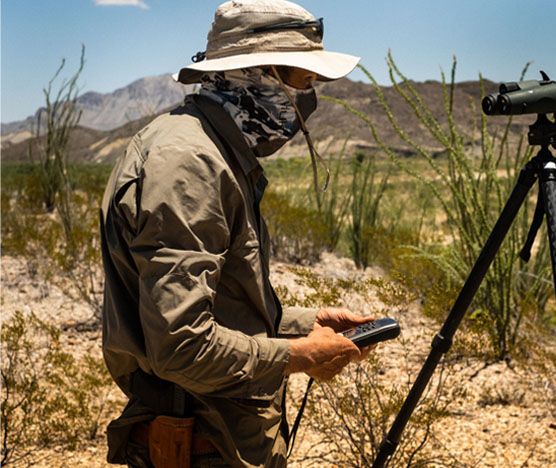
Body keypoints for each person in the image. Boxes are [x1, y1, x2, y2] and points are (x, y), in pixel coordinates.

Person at [99, 1, 372, 467]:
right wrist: (298, 356)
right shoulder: (191, 164)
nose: (309, 102)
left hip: (218, 438)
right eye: (304, 81)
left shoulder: (211, 148)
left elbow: (216, 307)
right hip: (200, 444)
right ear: (259, 75)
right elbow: (182, 346)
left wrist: (302, 326)